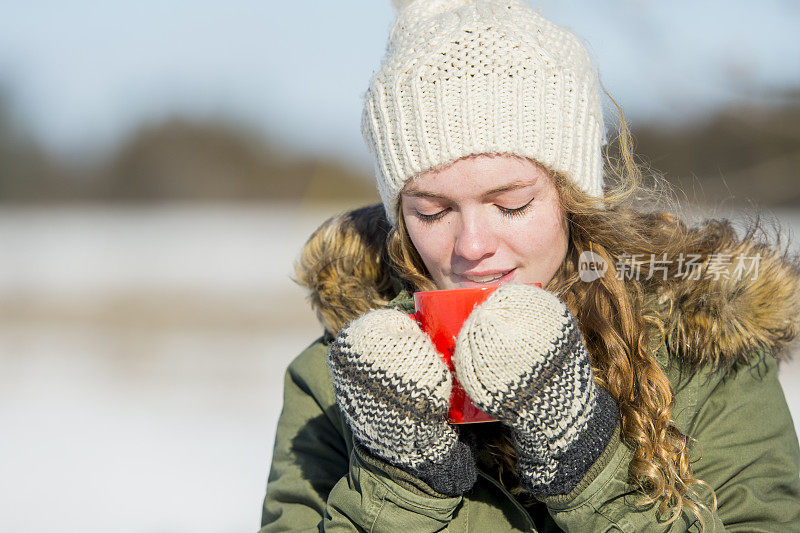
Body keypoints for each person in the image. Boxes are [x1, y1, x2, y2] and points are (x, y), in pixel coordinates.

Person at [260, 0, 800, 530]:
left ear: (573, 196)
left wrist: (587, 461)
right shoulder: (337, 381)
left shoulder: (703, 348)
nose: (471, 244)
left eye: (511, 205)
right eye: (432, 211)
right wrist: (397, 484)